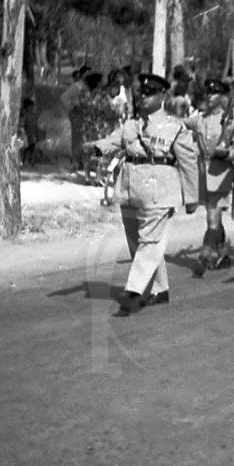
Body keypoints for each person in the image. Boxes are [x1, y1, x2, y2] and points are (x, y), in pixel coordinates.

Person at [85, 73, 200, 316]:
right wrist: (96, 147)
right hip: (130, 189)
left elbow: (188, 162)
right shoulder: (130, 126)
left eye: (150, 94)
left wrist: (191, 197)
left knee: (149, 242)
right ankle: (160, 289)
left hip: (161, 191)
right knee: (138, 242)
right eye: (142, 93)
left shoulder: (175, 128)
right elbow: (113, 142)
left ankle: (134, 291)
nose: (144, 97)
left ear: (162, 96)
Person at [182, 78, 234, 276]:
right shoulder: (200, 119)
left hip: (221, 172)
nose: (209, 97)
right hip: (204, 173)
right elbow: (179, 124)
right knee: (214, 217)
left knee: (212, 216)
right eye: (208, 93)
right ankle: (223, 251)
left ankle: (206, 253)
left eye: (214, 94)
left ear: (222, 97)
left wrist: (228, 154)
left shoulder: (230, 120)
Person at [61, 64, 91, 171]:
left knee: (86, 139)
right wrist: (72, 109)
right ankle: (75, 162)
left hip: (88, 116)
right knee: (77, 139)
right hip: (77, 115)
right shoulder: (77, 86)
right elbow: (64, 98)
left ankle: (84, 162)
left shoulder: (89, 87)